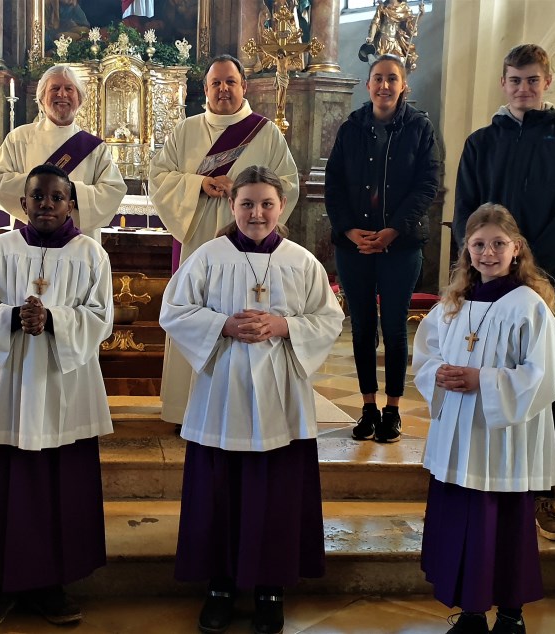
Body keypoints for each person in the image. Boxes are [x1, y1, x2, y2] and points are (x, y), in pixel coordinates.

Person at [160, 166, 343, 634]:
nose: (257, 213)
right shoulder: (207, 257)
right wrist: (223, 324)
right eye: (247, 204)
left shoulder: (302, 262)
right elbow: (174, 310)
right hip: (222, 390)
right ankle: (219, 586)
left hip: (281, 395)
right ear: (232, 206)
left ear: (282, 207)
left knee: (275, 494)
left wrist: (282, 326)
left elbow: (328, 318)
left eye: (266, 204)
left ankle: (270, 588)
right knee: (220, 491)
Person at [0, 164, 114, 629]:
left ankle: (52, 584)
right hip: (11, 386)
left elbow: (101, 316)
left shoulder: (90, 255)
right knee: (5, 484)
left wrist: (56, 319)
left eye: (56, 197)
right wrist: (11, 316)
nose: (46, 205)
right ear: (22, 204)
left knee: (62, 485)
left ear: (71, 204)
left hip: (67, 386)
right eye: (37, 197)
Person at [452, 43, 555, 542]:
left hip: (540, 283)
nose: (523, 88)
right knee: (479, 375)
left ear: (547, 83)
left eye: (532, 80)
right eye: (515, 79)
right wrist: (484, 261)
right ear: (503, 83)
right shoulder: (481, 142)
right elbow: (466, 209)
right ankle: (473, 481)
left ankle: (541, 496)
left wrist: (527, 266)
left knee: (539, 387)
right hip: (484, 284)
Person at [413, 204, 555, 634]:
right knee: (462, 523)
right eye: (479, 244)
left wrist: (484, 380)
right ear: (467, 251)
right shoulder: (452, 304)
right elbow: (427, 355)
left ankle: (511, 614)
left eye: (499, 243)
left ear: (517, 249)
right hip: (458, 435)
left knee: (503, 524)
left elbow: (543, 375)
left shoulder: (529, 305)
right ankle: (472, 611)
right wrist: (435, 373)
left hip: (502, 440)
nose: (489, 252)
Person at [149, 53, 299, 424]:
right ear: (205, 89)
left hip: (250, 247)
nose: (223, 89)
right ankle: (185, 408)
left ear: (244, 86)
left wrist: (248, 201)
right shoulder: (185, 131)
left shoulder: (266, 133)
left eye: (230, 82)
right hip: (199, 238)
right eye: (216, 83)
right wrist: (199, 183)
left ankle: (245, 409)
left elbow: (289, 185)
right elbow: (159, 177)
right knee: (196, 309)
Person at [325, 53, 440, 444]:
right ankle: (368, 406)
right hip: (354, 244)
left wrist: (393, 230)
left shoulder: (420, 128)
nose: (384, 85)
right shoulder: (351, 128)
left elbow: (427, 185)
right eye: (378, 78)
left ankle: (392, 409)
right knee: (360, 328)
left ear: (403, 85)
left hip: (401, 244)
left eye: (392, 78)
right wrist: (348, 229)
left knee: (393, 327)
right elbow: (334, 184)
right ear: (368, 84)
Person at [0, 64, 125, 240]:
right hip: (29, 239)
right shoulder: (20, 138)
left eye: (69, 89)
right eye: (55, 88)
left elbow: (113, 191)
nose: (62, 94)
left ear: (79, 100)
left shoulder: (95, 148)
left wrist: (72, 191)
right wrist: (41, 189)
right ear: (42, 99)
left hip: (78, 242)